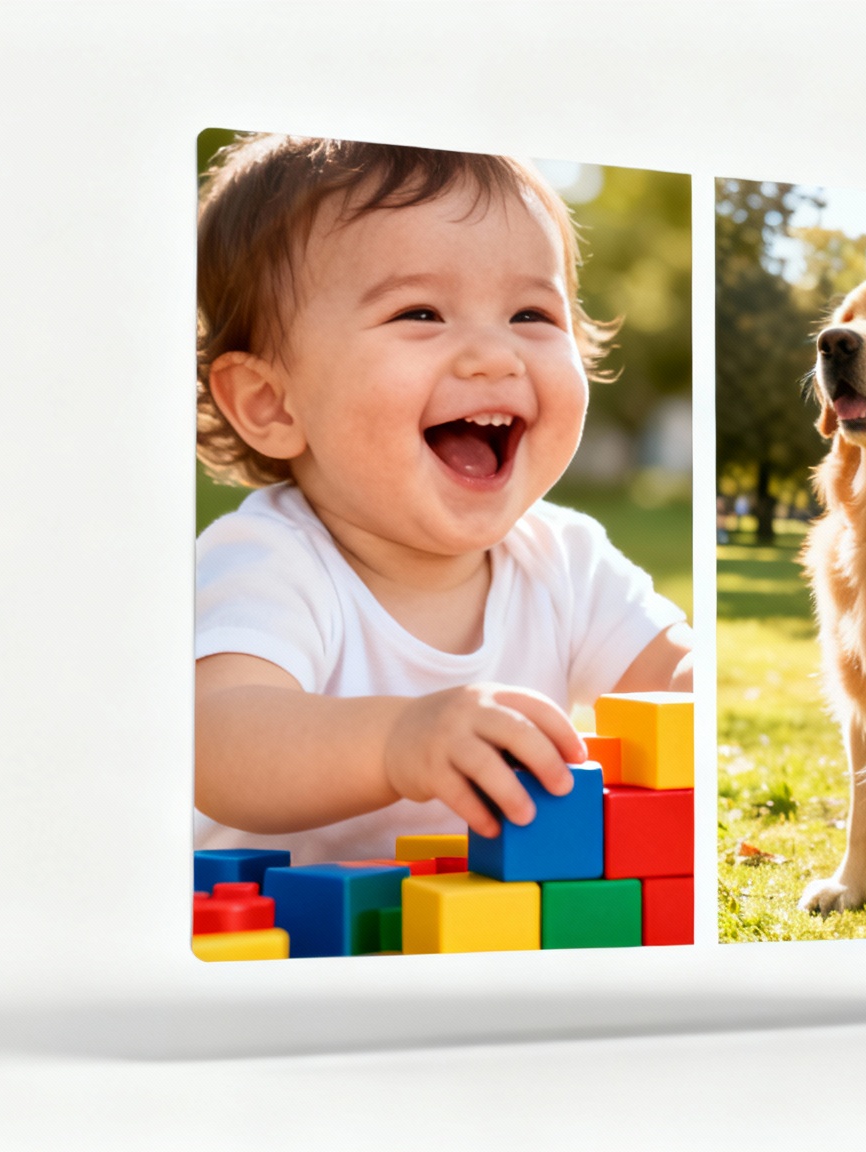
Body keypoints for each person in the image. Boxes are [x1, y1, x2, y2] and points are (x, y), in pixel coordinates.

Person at [193, 136, 691, 864]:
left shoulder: (566, 561)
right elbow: (218, 740)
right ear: (272, 402)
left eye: (531, 315)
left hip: (493, 937)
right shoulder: (270, 562)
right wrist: (397, 743)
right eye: (421, 313)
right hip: (290, 946)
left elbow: (676, 680)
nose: (496, 353)